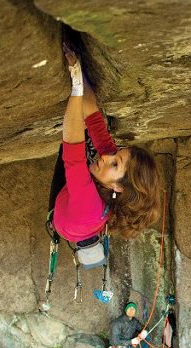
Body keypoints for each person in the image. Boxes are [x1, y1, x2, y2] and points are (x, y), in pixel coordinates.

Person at [47, 33, 163, 248]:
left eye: (115, 163)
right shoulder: (112, 170)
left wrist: (77, 87)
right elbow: (93, 117)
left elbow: (72, 147)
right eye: (118, 153)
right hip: (81, 207)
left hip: (66, 218)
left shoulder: (87, 203)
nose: (108, 156)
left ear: (118, 187)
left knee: (73, 153)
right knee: (93, 135)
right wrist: (78, 69)